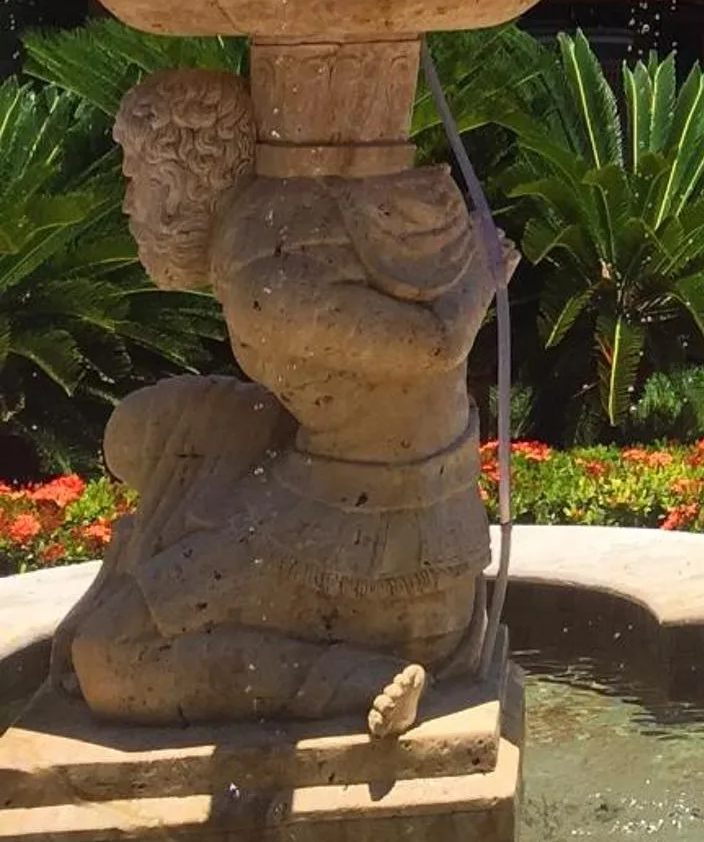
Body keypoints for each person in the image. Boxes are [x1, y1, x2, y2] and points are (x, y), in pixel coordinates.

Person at [50, 68, 500, 741]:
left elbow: (429, 348)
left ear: (181, 179)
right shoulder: (319, 212)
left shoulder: (260, 264)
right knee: (147, 435)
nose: (127, 205)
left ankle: (354, 679)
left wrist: (485, 275)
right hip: (422, 535)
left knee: (109, 657)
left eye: (134, 179)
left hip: (352, 542)